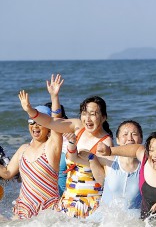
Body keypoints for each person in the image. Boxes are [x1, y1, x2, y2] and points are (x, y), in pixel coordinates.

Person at [19, 78, 113, 218]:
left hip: (89, 205)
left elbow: (105, 181)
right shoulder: (78, 127)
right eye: (84, 113)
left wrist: (91, 159)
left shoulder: (106, 143)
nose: (87, 119)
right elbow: (51, 122)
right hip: (67, 202)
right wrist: (32, 109)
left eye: (93, 114)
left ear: (104, 117)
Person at [0, 102, 62, 219]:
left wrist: (54, 97)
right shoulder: (23, 149)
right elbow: (7, 173)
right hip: (24, 209)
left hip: (47, 211)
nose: (35, 125)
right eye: (31, 121)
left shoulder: (51, 148)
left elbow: (56, 123)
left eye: (39, 122)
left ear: (48, 126)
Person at [82, 120, 144, 217]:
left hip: (132, 221)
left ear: (141, 139)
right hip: (104, 219)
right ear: (117, 140)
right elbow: (77, 157)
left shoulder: (146, 165)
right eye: (125, 134)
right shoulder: (108, 160)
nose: (130, 138)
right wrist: (73, 144)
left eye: (134, 134)